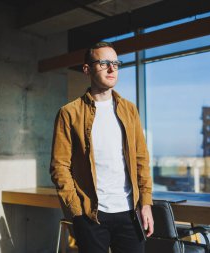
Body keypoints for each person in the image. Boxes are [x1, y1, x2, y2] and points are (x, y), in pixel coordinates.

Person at [50, 41, 154, 253]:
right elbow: (59, 166)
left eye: (115, 63)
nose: (111, 68)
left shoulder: (129, 109)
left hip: (129, 213)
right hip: (91, 216)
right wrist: (77, 212)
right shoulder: (69, 113)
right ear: (87, 69)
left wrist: (146, 203)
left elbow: (141, 159)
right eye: (104, 62)